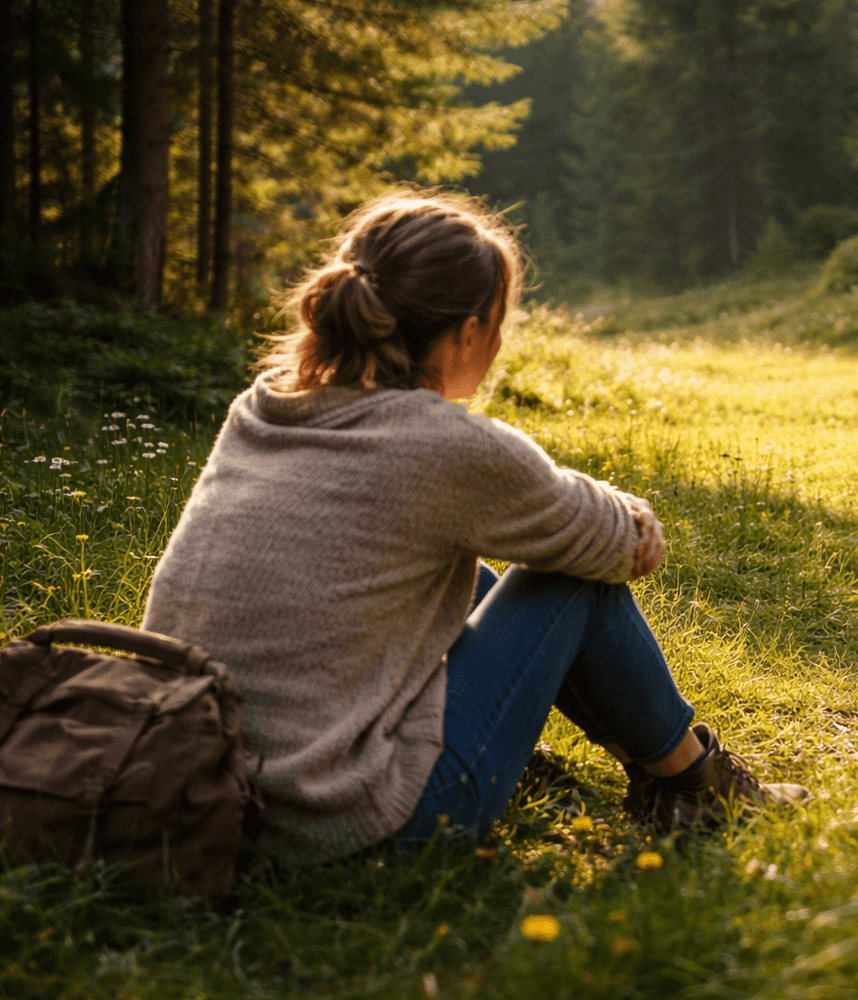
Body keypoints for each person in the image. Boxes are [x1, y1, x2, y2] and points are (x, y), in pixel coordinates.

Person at [141, 192, 809, 866]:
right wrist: (628, 514)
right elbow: (616, 548)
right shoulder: (439, 443)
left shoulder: (265, 405)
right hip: (341, 823)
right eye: (498, 322)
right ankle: (697, 787)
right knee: (571, 584)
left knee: (476, 583)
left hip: (197, 793)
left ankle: (612, 771)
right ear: (465, 332)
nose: (497, 341)